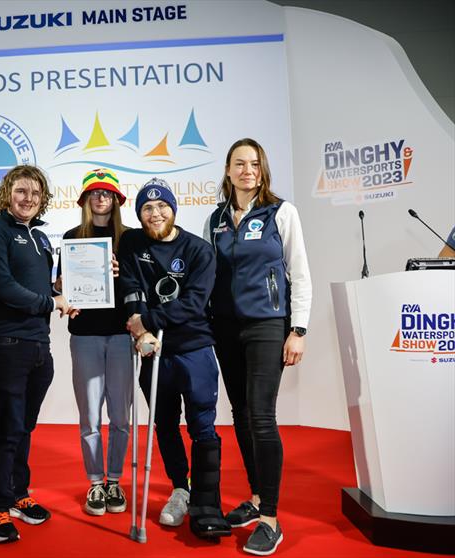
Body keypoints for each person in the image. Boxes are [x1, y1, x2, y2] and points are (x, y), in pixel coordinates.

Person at [205, 138, 312, 556]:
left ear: (262, 170)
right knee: (241, 414)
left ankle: (269, 517)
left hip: (268, 325)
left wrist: (298, 329)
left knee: (263, 418)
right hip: (225, 329)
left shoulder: (281, 212)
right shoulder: (215, 218)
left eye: (254, 163)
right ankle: (253, 498)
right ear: (228, 170)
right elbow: (207, 274)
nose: (247, 170)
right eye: (239, 163)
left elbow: (299, 272)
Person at [118, 178, 231, 540]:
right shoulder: (133, 242)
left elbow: (194, 303)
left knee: (201, 426)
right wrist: (141, 331)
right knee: (164, 424)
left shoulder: (199, 250)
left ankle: (206, 502)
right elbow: (131, 288)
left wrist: (147, 321)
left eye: (162, 206)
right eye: (147, 208)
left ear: (174, 208)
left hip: (194, 349)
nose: (155, 213)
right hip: (154, 352)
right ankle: (180, 489)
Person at [0, 165, 78, 543]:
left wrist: (65, 288)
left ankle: (19, 493)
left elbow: (42, 288)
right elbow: (3, 286)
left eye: (35, 193)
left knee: (24, 426)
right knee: (7, 426)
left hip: (39, 345)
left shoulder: (41, 237)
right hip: (4, 343)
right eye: (21, 191)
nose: (28, 199)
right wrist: (52, 302)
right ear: (7, 194)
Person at [56, 168, 133, 516]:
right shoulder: (72, 237)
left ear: (116, 200)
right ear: (85, 199)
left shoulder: (131, 238)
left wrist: (122, 273)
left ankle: (114, 479)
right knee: (89, 415)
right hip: (84, 335)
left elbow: (140, 286)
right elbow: (62, 287)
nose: (100, 198)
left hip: (121, 334)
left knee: (119, 415)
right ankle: (95, 483)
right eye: (94, 193)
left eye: (107, 194)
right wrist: (59, 288)